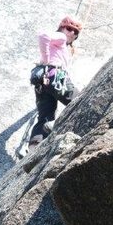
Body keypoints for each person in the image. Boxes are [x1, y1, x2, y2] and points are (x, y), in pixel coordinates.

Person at [28, 16, 82, 150]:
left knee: (45, 117)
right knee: (82, 100)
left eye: (76, 32)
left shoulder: (63, 47)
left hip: (43, 84)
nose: (72, 33)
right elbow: (43, 35)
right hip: (55, 79)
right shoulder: (61, 38)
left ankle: (33, 150)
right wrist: (47, 60)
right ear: (62, 28)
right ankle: (60, 123)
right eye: (69, 29)